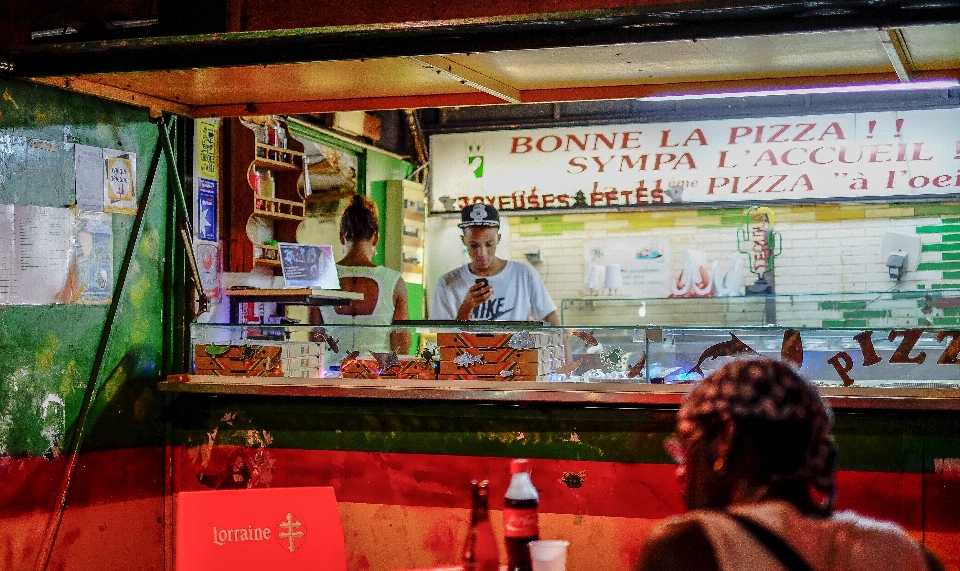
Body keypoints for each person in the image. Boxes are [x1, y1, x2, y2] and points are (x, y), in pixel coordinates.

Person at [635, 357, 943, 571]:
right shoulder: (909, 554)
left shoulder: (688, 550)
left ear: (726, 436)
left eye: (686, 449)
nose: (681, 471)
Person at [310, 194, 410, 353]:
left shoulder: (322, 277)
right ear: (375, 238)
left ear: (342, 237)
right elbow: (401, 345)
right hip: (376, 374)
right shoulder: (393, 281)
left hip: (332, 374)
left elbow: (315, 339)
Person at [432, 203, 559, 324]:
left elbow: (549, 316)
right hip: (466, 347)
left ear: (498, 238)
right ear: (464, 240)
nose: (482, 252)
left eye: (489, 244)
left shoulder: (524, 274)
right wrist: (466, 307)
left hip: (514, 347)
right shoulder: (448, 283)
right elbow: (442, 337)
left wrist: (564, 346)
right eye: (474, 245)